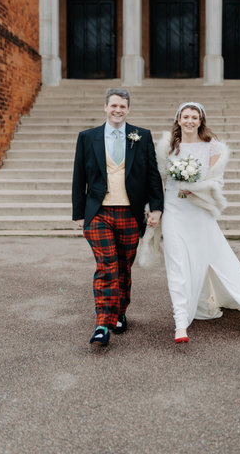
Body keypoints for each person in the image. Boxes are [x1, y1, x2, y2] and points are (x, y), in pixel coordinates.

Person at [138, 102, 240, 343]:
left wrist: (195, 187)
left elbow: (216, 183)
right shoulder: (167, 147)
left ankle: (227, 300)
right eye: (185, 116)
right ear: (178, 119)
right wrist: (154, 210)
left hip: (199, 213)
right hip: (174, 212)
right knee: (177, 264)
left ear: (201, 121)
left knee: (207, 260)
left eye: (195, 117)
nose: (190, 121)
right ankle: (181, 322)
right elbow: (157, 181)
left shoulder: (213, 148)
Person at [72, 88, 164, 347]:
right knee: (107, 266)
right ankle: (102, 323)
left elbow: (152, 175)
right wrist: (79, 214)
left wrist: (156, 207)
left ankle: (120, 311)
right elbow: (79, 176)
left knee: (123, 266)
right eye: (114, 105)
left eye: (123, 106)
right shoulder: (87, 137)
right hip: (99, 212)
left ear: (128, 109)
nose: (118, 110)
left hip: (129, 213)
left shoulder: (142, 136)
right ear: (105, 107)